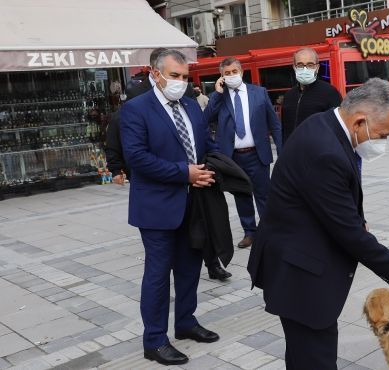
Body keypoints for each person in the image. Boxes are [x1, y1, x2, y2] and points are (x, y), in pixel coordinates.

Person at [247, 78, 389, 370]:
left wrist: (358, 219)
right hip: (301, 277)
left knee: (303, 356)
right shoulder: (325, 151)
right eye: (381, 134)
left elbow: (336, 204)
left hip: (296, 260)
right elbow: (347, 231)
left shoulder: (324, 125)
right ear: (360, 121)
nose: (382, 142)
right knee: (315, 358)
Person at [119, 49, 221, 366]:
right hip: (156, 208)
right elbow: (136, 158)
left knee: (191, 267)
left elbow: (206, 143)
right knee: (158, 275)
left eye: (184, 77)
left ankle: (186, 323)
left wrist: (217, 166)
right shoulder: (135, 109)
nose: (180, 82)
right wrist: (184, 173)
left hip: (194, 203)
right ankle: (155, 340)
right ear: (155, 73)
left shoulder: (191, 105)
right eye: (174, 76)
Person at [204, 57, 283, 251]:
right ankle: (250, 232)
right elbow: (205, 119)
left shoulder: (259, 93)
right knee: (241, 195)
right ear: (221, 76)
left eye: (234, 72)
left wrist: (283, 152)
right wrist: (217, 94)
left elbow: (274, 123)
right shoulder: (220, 97)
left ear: (242, 72)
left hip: (258, 154)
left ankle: (268, 232)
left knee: (264, 195)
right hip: (233, 157)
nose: (231, 76)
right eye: (226, 73)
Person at [107, 48, 167, 185]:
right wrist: (115, 168)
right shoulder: (135, 92)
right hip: (146, 168)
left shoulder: (183, 89)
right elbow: (118, 125)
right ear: (154, 69)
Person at [281, 47, 342, 143]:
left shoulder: (330, 93)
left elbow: (338, 128)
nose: (305, 69)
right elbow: (284, 129)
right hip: (293, 153)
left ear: (317, 67)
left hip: (319, 154)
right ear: (294, 67)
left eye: (310, 65)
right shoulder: (289, 96)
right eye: (300, 65)